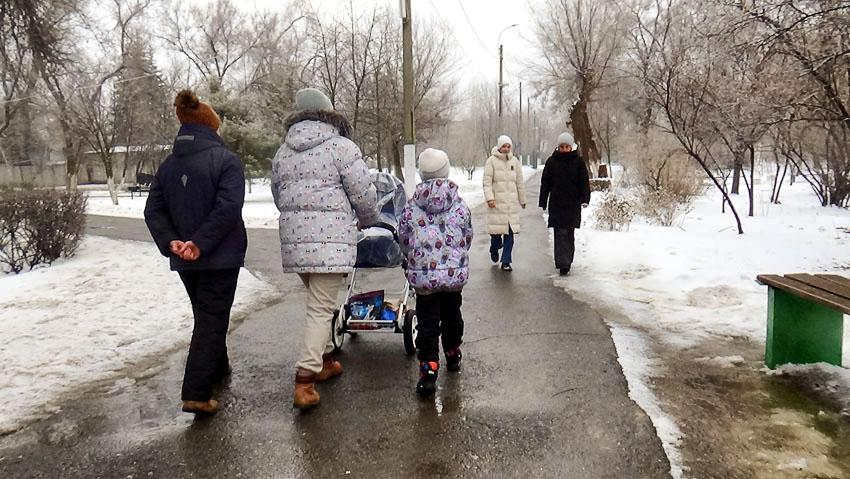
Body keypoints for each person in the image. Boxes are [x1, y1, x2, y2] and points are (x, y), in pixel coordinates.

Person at [271, 87, 378, 410]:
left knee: (322, 303)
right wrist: (368, 218)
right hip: (331, 244)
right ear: (329, 114)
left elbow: (279, 196)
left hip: (296, 243)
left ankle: (326, 359)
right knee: (320, 308)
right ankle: (304, 381)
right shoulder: (342, 148)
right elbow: (363, 194)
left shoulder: (283, 153)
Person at [144, 89, 248, 416]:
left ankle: (217, 367)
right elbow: (227, 208)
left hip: (186, 261)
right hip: (220, 256)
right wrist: (200, 243)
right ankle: (196, 392)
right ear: (211, 127)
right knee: (211, 319)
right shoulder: (226, 161)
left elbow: (153, 211)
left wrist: (172, 241)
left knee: (206, 316)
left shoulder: (168, 166)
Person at [398, 148, 473, 397]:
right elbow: (467, 235)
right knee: (452, 314)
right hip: (452, 277)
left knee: (427, 322)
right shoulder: (459, 205)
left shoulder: (411, 207)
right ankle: (453, 353)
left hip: (425, 279)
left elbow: (405, 239)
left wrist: (411, 258)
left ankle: (428, 369)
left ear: (421, 173)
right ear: (447, 170)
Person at [539, 132, 591, 276]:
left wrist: (585, 198)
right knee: (560, 233)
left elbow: (584, 182)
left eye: (567, 146)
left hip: (572, 204)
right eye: (562, 147)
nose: (564, 149)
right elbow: (545, 183)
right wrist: (543, 201)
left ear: (571, 147)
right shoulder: (552, 162)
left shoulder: (578, 162)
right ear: (558, 147)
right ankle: (562, 263)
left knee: (569, 234)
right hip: (557, 203)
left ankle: (567, 260)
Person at [483, 134, 527, 271]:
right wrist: (490, 198)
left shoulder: (515, 162)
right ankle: (494, 247)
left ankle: (506, 261)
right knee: (496, 234)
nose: (506, 149)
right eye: (504, 146)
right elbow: (487, 182)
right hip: (496, 204)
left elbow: (519, 182)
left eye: (508, 146)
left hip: (510, 205)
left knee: (510, 233)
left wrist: (522, 199)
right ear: (499, 147)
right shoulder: (491, 161)